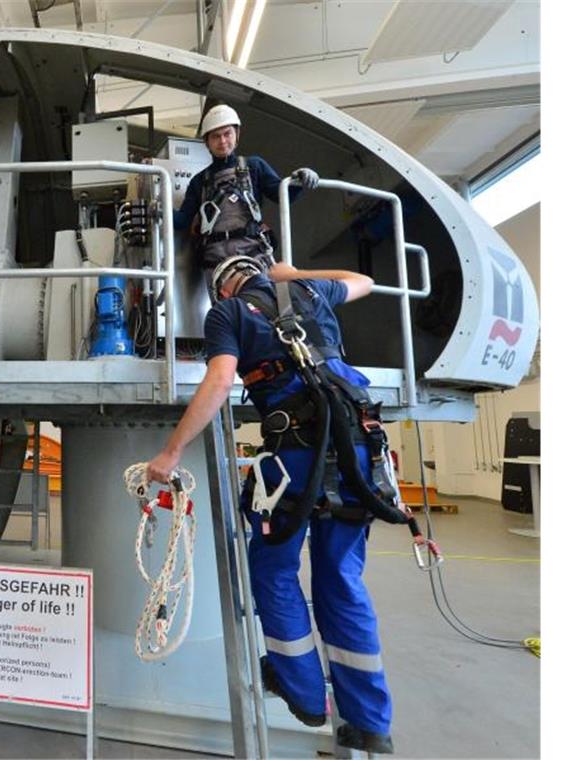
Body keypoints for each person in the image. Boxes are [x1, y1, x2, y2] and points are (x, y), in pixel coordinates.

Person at [146, 254, 412, 755]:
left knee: (273, 570)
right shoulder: (315, 294)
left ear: (223, 289)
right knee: (341, 578)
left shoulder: (228, 313)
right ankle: (370, 721)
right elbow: (364, 280)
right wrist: (295, 276)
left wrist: (172, 450)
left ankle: (306, 694)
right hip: (358, 447)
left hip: (296, 454)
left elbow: (221, 382)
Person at [172, 104, 319, 276]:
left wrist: (298, 181)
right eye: (215, 136)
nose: (222, 141)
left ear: (237, 134)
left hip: (253, 258)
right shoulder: (199, 181)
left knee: (257, 302)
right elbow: (183, 221)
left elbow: (283, 196)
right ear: (207, 142)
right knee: (230, 304)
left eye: (227, 134)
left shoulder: (254, 166)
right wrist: (158, 210)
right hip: (216, 266)